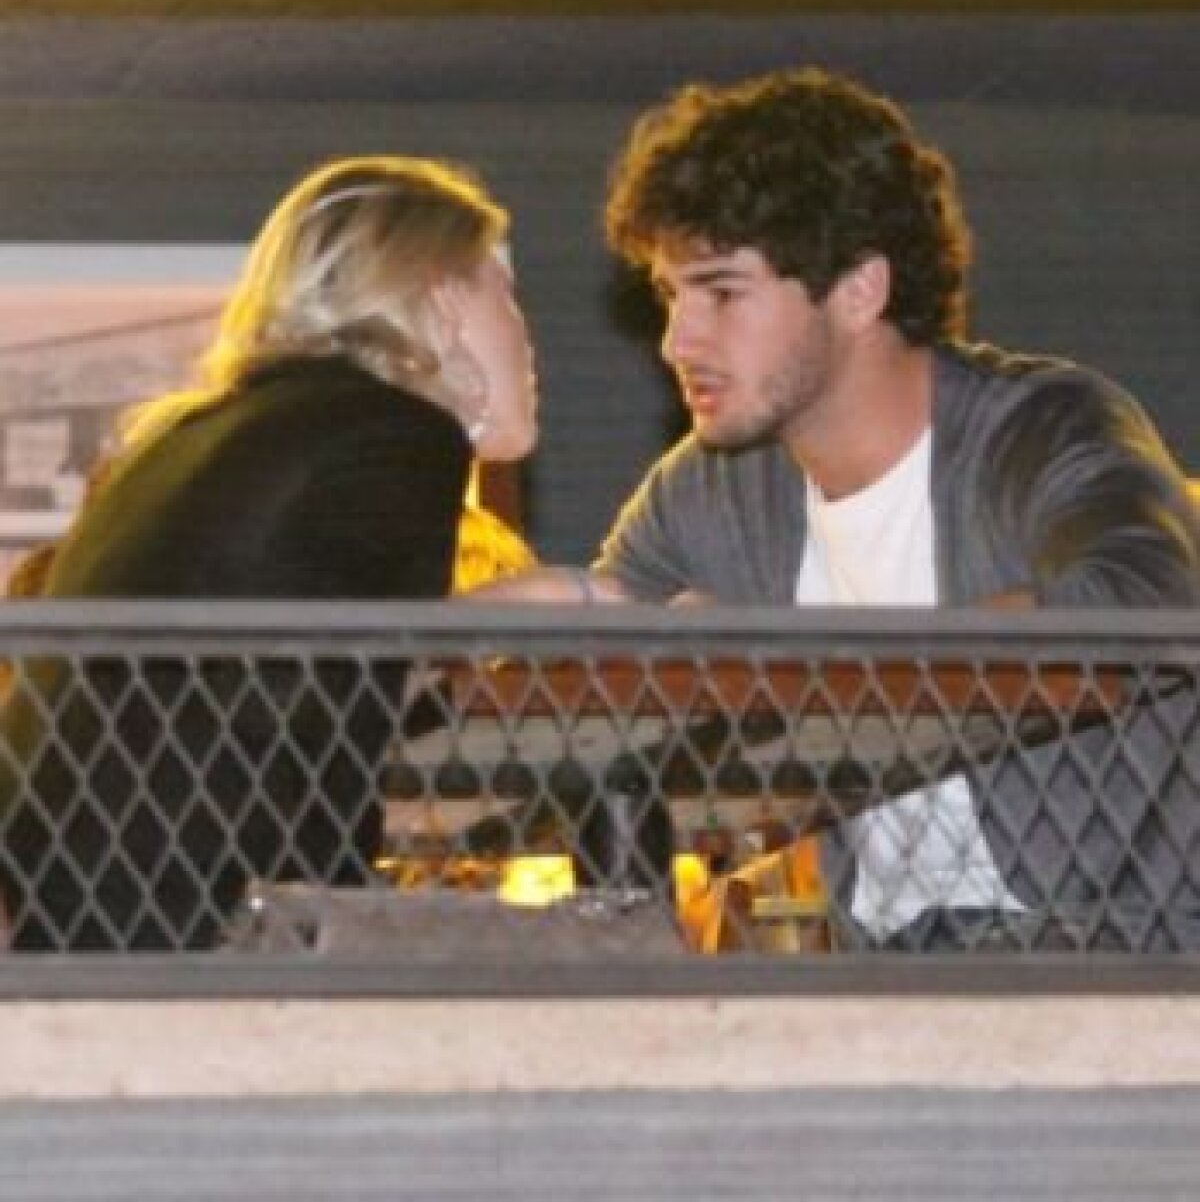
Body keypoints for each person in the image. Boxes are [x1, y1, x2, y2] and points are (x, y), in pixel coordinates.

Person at [484, 66, 1200, 950]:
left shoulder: (1044, 430)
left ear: (861, 289)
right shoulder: (712, 487)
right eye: (670, 296)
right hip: (896, 965)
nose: (677, 340)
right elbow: (610, 645)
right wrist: (491, 622)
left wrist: (810, 666)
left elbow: (1146, 605)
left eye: (722, 293)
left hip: (1123, 955)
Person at [0, 154, 536, 950]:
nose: (525, 332)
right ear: (441, 295)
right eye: (505, 293)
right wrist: (541, 604)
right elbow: (341, 690)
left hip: (79, 903)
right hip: (216, 918)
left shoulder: (186, 435)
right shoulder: (396, 431)